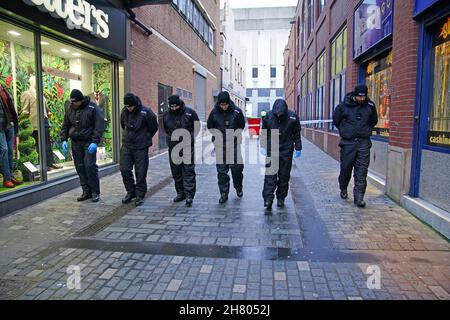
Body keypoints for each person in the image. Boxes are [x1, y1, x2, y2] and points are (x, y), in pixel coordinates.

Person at [333, 84, 378, 208]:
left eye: (363, 97)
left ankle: (359, 198)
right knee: (346, 169)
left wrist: (365, 129)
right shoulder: (342, 106)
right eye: (359, 97)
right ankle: (343, 188)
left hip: (364, 142)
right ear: (354, 95)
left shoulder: (370, 106)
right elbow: (336, 121)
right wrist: (345, 131)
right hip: (348, 143)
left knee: (361, 171)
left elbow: (374, 121)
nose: (361, 99)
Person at [60, 89, 104, 202]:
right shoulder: (70, 108)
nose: (76, 104)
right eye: (73, 102)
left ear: (81, 100)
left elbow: (99, 124)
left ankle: (95, 192)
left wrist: (95, 141)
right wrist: (64, 139)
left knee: (90, 166)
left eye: (77, 102)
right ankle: (86, 191)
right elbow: (66, 124)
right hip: (75, 142)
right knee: (80, 167)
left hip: (89, 141)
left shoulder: (92, 107)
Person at [260, 99, 302, 210]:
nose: (278, 116)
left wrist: (298, 147)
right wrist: (263, 146)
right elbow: (264, 132)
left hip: (286, 149)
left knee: (284, 176)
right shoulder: (268, 117)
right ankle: (268, 199)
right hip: (272, 149)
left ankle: (281, 198)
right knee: (270, 176)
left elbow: (297, 133)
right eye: (277, 114)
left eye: (281, 114)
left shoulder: (292, 117)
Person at [120, 93, 158, 207]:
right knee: (124, 169)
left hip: (141, 147)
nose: (129, 108)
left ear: (135, 104)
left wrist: (145, 137)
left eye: (131, 106)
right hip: (127, 145)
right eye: (127, 106)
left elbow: (153, 127)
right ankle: (131, 192)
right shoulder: (124, 111)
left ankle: (140, 195)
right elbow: (123, 125)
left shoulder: (146, 112)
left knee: (140, 172)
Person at [207, 91, 246, 204]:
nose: (224, 106)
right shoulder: (214, 112)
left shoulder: (237, 111)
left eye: (225, 104)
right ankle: (224, 193)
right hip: (220, 145)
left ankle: (238, 187)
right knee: (222, 171)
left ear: (229, 102)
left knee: (237, 168)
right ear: (219, 103)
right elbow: (210, 126)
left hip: (234, 144)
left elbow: (241, 125)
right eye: (221, 104)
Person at [163, 95, 200, 207]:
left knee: (188, 170)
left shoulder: (190, 113)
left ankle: (189, 195)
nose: (174, 108)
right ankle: (180, 193)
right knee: (176, 172)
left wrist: (190, 138)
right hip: (173, 147)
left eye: (176, 106)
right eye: (171, 106)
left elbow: (196, 127)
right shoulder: (166, 115)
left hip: (187, 147)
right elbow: (166, 129)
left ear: (179, 104)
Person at [21, 75, 62, 171]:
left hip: (44, 121)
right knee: (37, 144)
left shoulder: (40, 93)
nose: (38, 82)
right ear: (31, 82)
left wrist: (48, 112)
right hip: (34, 122)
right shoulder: (26, 94)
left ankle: (50, 163)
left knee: (47, 143)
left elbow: (45, 106)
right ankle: (41, 165)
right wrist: (25, 114)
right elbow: (25, 108)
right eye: (36, 81)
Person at [0, 84, 20, 188]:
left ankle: (10, 176)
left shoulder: (4, 89)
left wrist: (14, 124)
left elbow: (11, 108)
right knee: (4, 150)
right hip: (0, 127)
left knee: (10, 152)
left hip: (9, 124)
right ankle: (6, 179)